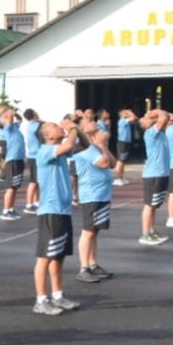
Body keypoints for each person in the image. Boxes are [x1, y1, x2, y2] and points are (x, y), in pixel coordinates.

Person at [30, 120, 80, 315]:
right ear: (48, 135)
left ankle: (58, 295)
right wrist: (73, 127)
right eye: (54, 126)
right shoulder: (45, 151)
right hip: (50, 212)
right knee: (44, 257)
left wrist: (75, 128)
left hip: (63, 211)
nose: (59, 126)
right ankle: (41, 300)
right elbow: (69, 144)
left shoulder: (59, 150)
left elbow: (77, 145)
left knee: (58, 256)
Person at [72, 118, 116, 283]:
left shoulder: (96, 147)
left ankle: (93, 264)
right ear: (83, 129)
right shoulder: (86, 149)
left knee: (95, 231)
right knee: (88, 231)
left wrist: (102, 146)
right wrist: (102, 145)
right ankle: (84, 268)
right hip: (92, 195)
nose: (94, 122)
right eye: (89, 122)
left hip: (102, 195)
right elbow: (104, 163)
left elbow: (113, 163)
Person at [137, 108, 170, 246]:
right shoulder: (150, 132)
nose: (151, 118)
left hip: (161, 173)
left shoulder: (160, 133)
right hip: (153, 174)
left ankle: (151, 230)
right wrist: (155, 111)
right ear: (144, 125)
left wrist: (153, 114)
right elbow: (164, 117)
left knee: (154, 205)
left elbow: (165, 118)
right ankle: (145, 234)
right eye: (147, 118)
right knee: (149, 205)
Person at [0, 106, 26, 220]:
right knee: (10, 187)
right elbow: (9, 117)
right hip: (13, 160)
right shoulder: (7, 129)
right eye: (4, 118)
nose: (6, 118)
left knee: (15, 187)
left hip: (18, 159)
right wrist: (9, 112)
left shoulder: (15, 127)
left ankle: (11, 209)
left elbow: (19, 119)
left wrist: (15, 113)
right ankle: (5, 211)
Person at [20, 110, 41, 212]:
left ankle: (36, 201)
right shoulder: (36, 125)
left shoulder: (30, 125)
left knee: (36, 181)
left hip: (33, 156)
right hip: (35, 156)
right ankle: (29, 204)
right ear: (34, 114)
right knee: (33, 181)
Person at [113, 109, 136, 185]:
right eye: (124, 112)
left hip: (126, 142)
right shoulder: (122, 121)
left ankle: (121, 177)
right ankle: (117, 178)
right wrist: (130, 112)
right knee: (120, 160)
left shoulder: (127, 121)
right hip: (122, 142)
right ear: (121, 114)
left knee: (123, 161)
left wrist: (129, 114)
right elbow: (133, 117)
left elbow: (135, 120)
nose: (126, 113)